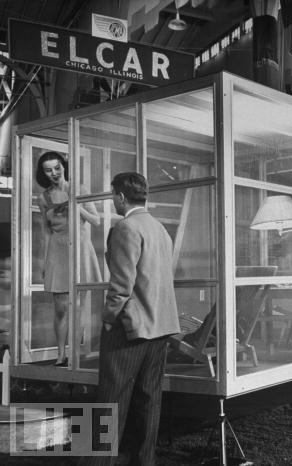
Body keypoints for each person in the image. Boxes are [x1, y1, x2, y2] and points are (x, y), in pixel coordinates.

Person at [93, 172, 180, 466]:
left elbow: (121, 284)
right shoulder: (160, 228)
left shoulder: (125, 227)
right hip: (161, 325)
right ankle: (145, 461)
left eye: (112, 195)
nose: (113, 200)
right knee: (148, 398)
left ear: (119, 196)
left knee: (110, 398)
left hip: (130, 326)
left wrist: (107, 318)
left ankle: (98, 463)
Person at [36, 151, 101, 366]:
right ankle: (61, 352)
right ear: (43, 173)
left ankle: (74, 351)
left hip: (80, 248)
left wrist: (77, 206)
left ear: (64, 166)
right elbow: (46, 232)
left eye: (57, 168)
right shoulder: (43, 197)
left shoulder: (79, 189)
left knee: (79, 305)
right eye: (48, 170)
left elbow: (96, 221)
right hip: (57, 250)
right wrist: (44, 261)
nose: (54, 173)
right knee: (61, 307)